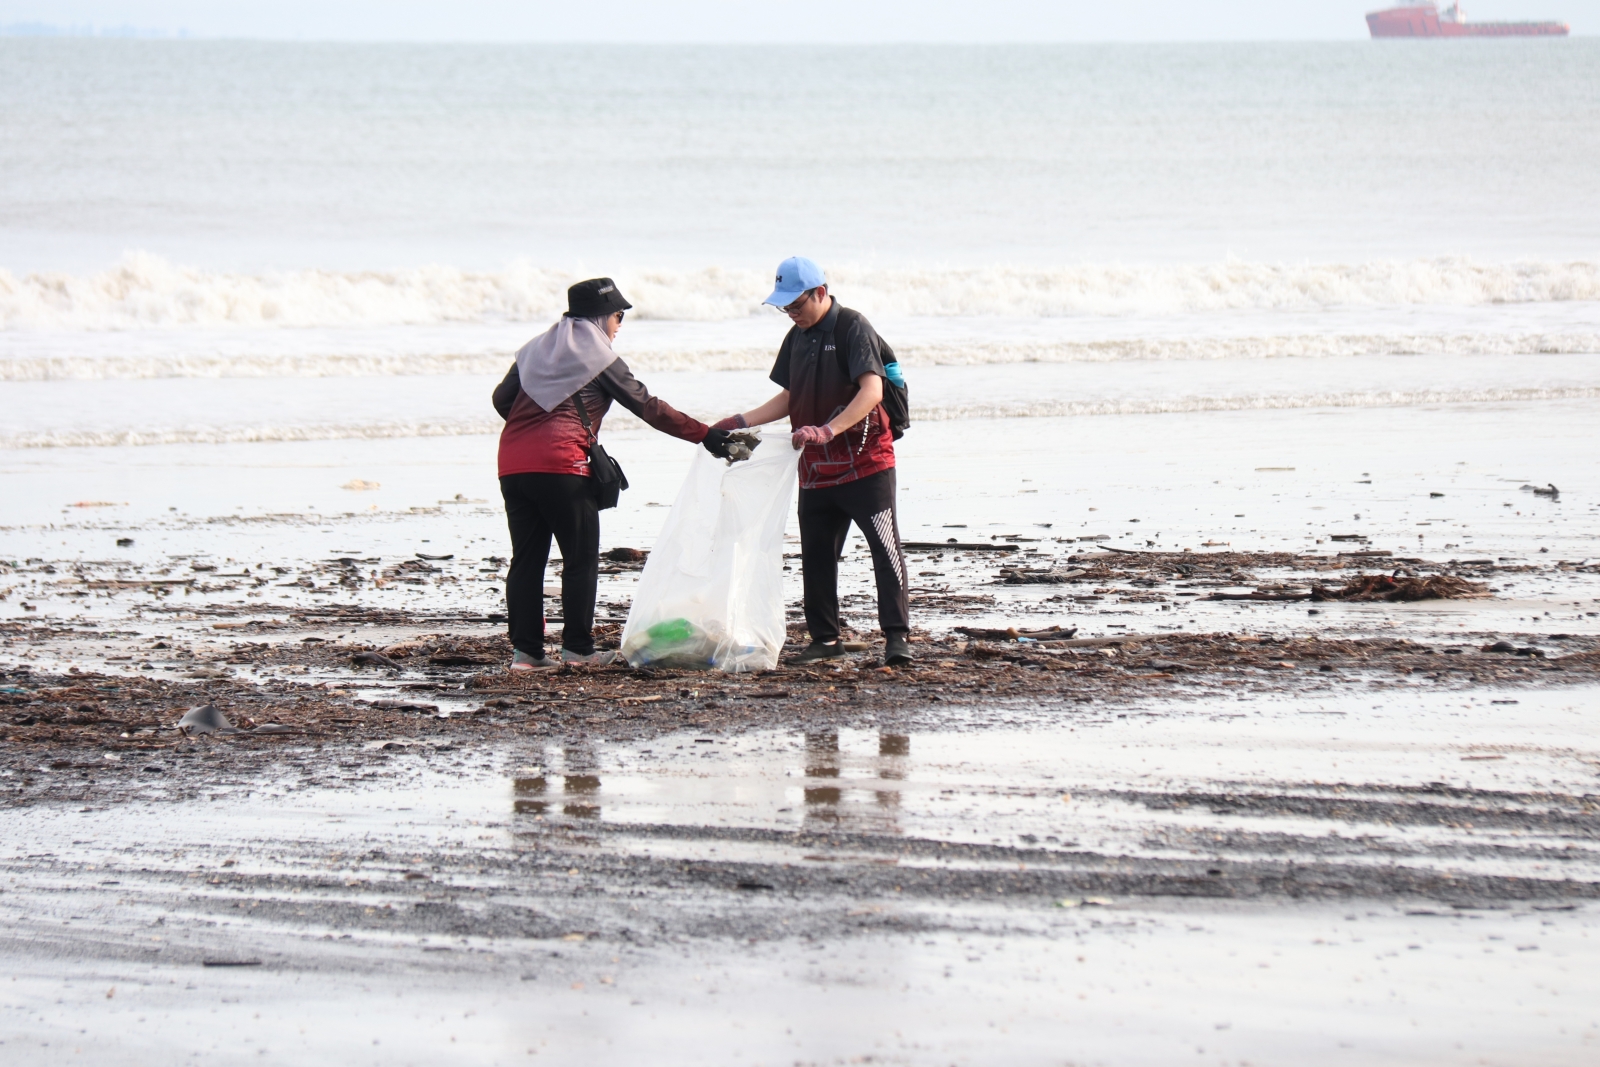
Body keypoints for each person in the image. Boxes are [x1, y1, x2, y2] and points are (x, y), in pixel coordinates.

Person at [493, 277, 733, 670]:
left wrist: (535, 428)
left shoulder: (533, 349)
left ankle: (527, 654)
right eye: (619, 316)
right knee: (579, 558)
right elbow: (649, 407)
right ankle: (577, 650)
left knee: (527, 559)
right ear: (601, 316)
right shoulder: (598, 356)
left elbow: (501, 399)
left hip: (513, 465)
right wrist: (705, 434)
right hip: (564, 466)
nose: (620, 325)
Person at [713, 256, 912, 667]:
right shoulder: (797, 336)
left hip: (865, 463)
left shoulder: (852, 326)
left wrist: (827, 430)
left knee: (883, 548)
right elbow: (791, 397)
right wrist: (741, 421)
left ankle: (896, 639)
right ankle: (825, 639)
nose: (791, 313)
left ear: (820, 292)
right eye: (785, 307)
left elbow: (872, 391)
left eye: (797, 304)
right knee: (817, 555)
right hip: (817, 469)